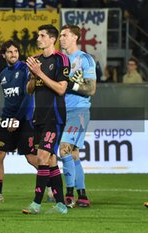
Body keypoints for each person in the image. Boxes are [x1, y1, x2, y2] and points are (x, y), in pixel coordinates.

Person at [22, 24, 69, 214]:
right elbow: (29, 90)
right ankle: (60, 204)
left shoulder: (61, 59)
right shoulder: (36, 60)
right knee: (50, 161)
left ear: (52, 39)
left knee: (41, 156)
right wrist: (33, 76)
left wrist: (40, 73)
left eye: (42, 35)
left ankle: (36, 204)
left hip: (55, 116)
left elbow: (61, 89)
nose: (38, 38)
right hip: (39, 116)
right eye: (38, 34)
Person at [0, 40, 36, 203]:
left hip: (24, 120)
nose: (14, 54)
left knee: (31, 158)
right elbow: (10, 99)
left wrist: (16, 119)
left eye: (15, 51)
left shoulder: (25, 69)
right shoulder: (2, 74)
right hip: (6, 118)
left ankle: (52, 186)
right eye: (9, 52)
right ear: (3, 55)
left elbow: (28, 97)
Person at [58, 24, 97, 208]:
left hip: (78, 111)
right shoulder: (59, 59)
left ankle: (69, 193)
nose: (61, 38)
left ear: (74, 37)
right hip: (60, 111)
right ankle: (82, 194)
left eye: (64, 35)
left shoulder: (85, 59)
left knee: (64, 149)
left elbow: (91, 89)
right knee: (73, 154)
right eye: (60, 35)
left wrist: (71, 85)